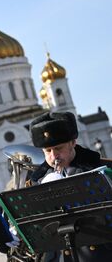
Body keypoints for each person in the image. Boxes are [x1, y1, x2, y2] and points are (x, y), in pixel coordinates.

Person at [26, 111, 112, 261]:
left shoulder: (103, 168)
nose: (53, 157)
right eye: (48, 151)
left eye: (58, 148)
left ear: (73, 142)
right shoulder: (35, 180)